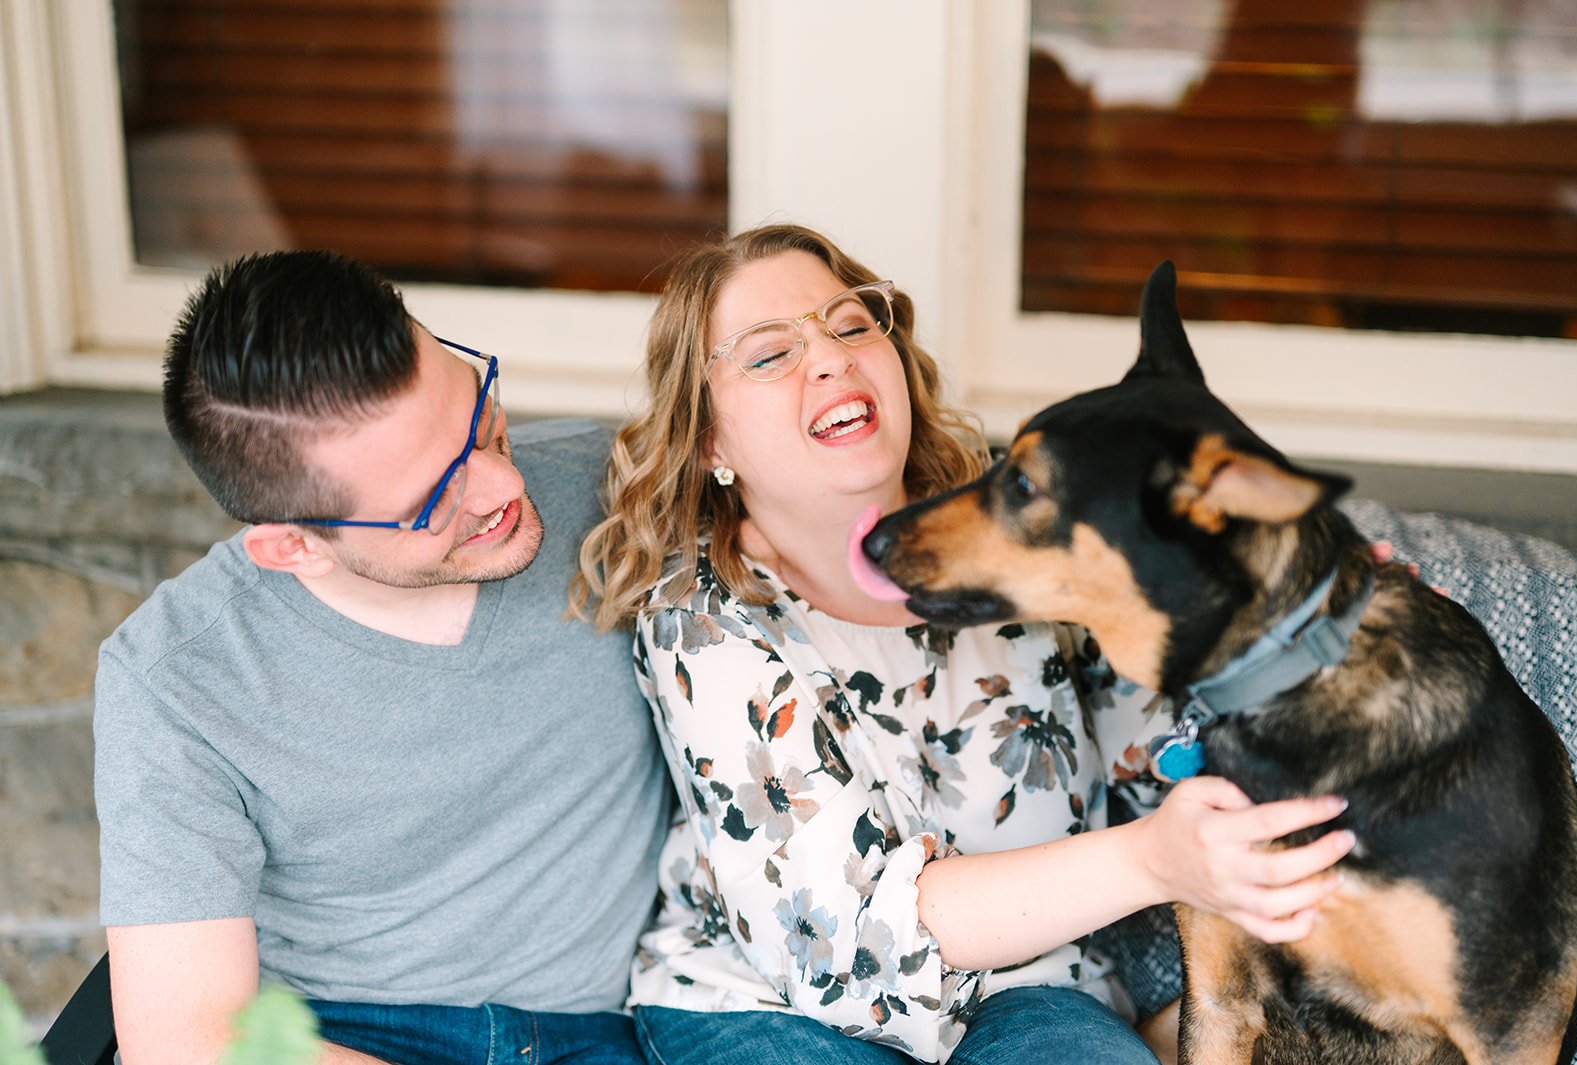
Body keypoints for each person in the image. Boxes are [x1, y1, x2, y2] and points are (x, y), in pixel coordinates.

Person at [570, 224, 1355, 1065]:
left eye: (849, 324)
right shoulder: (702, 611)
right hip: (769, 1009)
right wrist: (1151, 861)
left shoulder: (1027, 526)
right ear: (708, 442)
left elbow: (1159, 746)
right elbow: (846, 946)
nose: (830, 358)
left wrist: (1319, 618)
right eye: (769, 354)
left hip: (1033, 989)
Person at [93, 250, 670, 1065]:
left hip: (631, 1025)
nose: (503, 485)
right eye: (433, 501)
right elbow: (189, 1045)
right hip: (347, 1038)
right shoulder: (176, 680)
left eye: (481, 418)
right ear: (291, 546)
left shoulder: (618, 493)